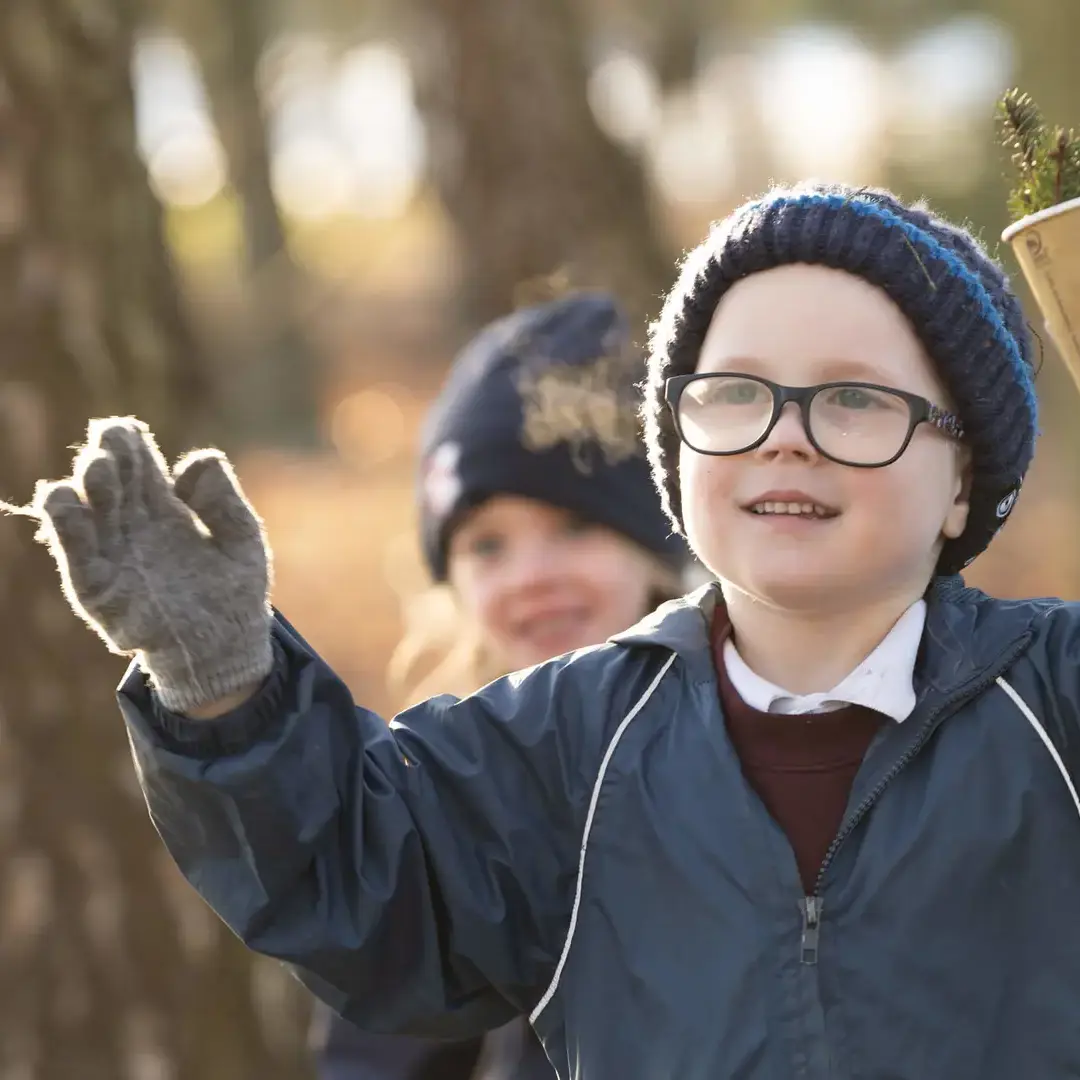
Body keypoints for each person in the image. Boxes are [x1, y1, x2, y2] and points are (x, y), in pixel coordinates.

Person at [26, 180, 1080, 1078]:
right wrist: (224, 684)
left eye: (853, 399)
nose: (785, 437)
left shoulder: (1052, 699)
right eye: (735, 393)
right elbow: (362, 886)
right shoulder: (562, 747)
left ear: (963, 480)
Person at [309, 290, 689, 1080]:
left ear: (659, 547)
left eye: (575, 526)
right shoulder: (440, 788)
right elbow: (378, 1049)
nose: (531, 576)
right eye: (487, 545)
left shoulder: (738, 747)